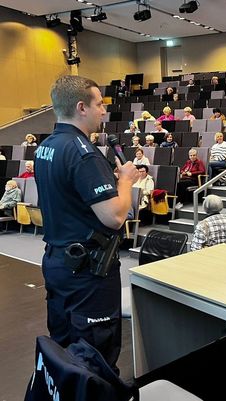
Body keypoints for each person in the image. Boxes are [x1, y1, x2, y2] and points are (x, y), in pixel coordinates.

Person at [34, 75, 139, 370]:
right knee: (95, 359)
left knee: (65, 352)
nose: (103, 111)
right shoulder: (83, 155)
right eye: (99, 104)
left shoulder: (46, 147)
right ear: (81, 107)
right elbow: (115, 216)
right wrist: (126, 181)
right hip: (87, 275)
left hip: (58, 263)